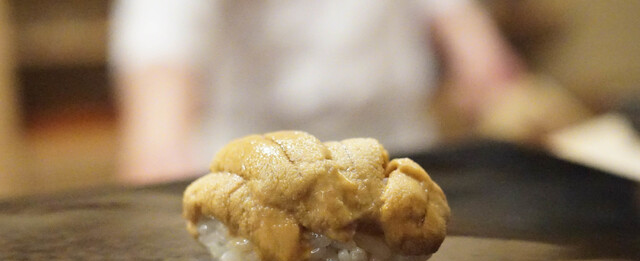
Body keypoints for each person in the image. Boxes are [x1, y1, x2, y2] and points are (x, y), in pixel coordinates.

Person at [110, 0, 523, 183]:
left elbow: (459, 23)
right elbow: (161, 47)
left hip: (398, 156)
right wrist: (160, 148)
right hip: (258, 168)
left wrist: (485, 66)